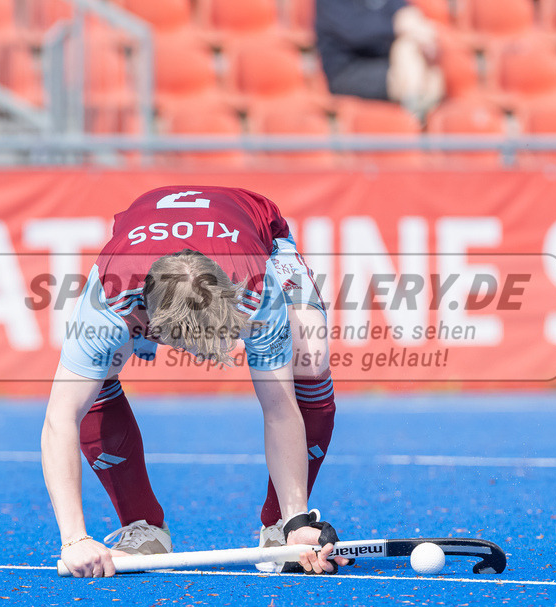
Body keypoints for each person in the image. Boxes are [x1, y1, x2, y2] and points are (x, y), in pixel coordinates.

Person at [41, 185, 348, 578]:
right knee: (92, 378)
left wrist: (295, 521)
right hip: (141, 263)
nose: (214, 353)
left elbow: (279, 410)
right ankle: (143, 526)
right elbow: (60, 417)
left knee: (311, 358)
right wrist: (74, 538)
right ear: (149, 326)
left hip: (259, 236)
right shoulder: (108, 299)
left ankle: (277, 529)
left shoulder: (257, 290)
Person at [315, 0, 444, 115]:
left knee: (412, 49)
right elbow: (355, 34)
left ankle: (416, 108)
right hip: (347, 70)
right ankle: (416, 111)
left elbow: (407, 14)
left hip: (388, 62)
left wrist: (420, 32)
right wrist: (397, 26)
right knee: (416, 71)